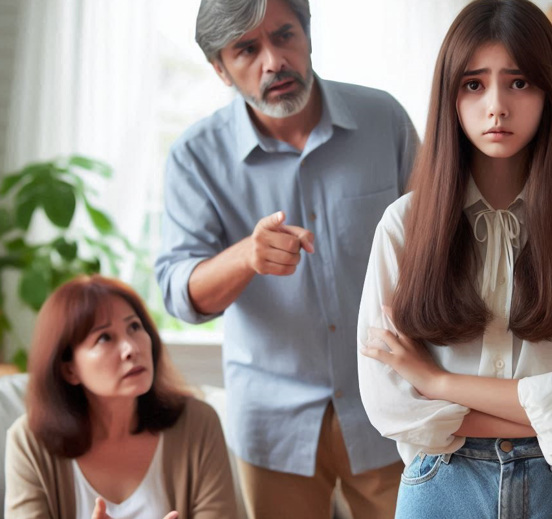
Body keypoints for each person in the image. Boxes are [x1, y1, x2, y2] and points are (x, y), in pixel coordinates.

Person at [357, 0, 552, 518]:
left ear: (549, 91)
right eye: (474, 84)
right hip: (441, 483)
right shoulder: (403, 227)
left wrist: (436, 381)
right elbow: (391, 406)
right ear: (450, 94)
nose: (496, 107)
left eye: (518, 82)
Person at [154, 0, 418, 517]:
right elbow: (177, 293)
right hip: (273, 423)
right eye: (246, 49)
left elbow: (437, 242)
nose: (273, 60)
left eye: (284, 35)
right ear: (220, 69)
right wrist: (245, 257)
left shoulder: (383, 119)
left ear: (308, 34)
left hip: (390, 404)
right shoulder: (194, 156)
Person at [4, 275, 238, 519]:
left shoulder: (198, 423)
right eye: (104, 337)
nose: (131, 349)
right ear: (69, 369)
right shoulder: (30, 442)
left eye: (134, 327)